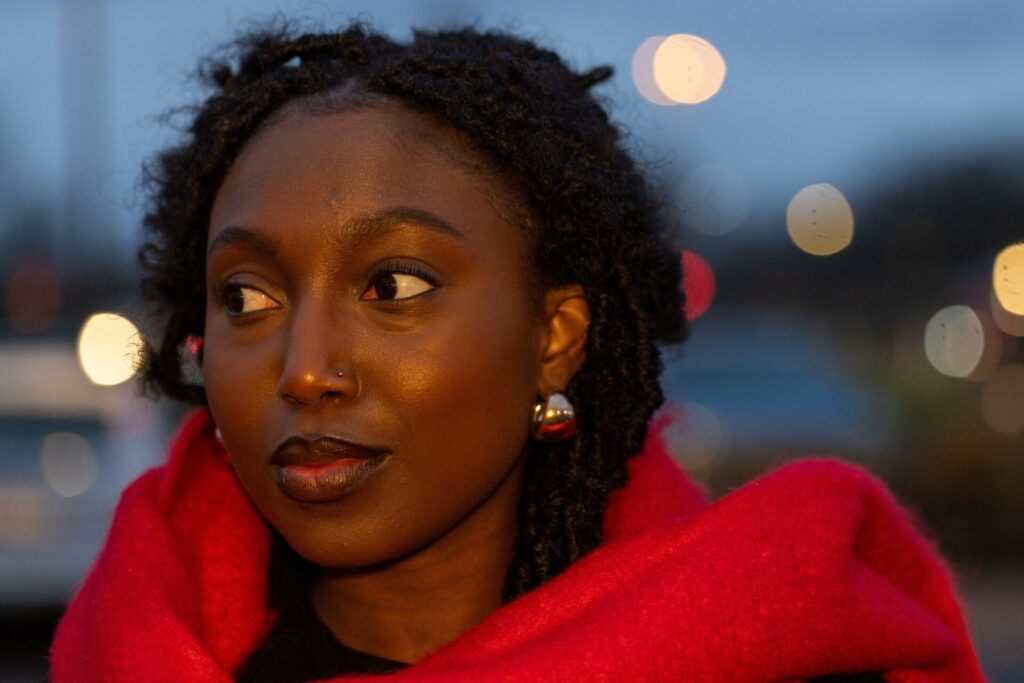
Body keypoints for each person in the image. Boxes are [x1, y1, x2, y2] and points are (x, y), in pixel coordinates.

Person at [50, 22, 984, 682]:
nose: (304, 367)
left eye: (394, 287)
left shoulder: (799, 652)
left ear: (555, 337)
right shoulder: (116, 643)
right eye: (247, 296)